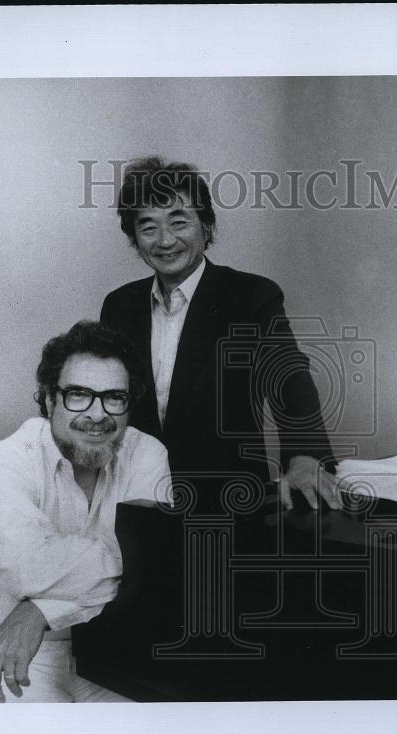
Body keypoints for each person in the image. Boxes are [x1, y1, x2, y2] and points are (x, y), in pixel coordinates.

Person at [101, 156, 341, 511]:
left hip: (230, 504)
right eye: (148, 227)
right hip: (138, 502)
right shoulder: (119, 305)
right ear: (135, 239)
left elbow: (289, 378)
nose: (165, 240)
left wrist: (306, 457)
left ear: (207, 227)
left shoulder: (251, 295)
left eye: (179, 222)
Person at [0, 321, 171, 703]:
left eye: (114, 397)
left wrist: (38, 610)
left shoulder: (147, 453)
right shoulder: (6, 460)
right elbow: (27, 570)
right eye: (78, 395)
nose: (97, 414)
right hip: (21, 646)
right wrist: (125, 556)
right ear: (50, 400)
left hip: (118, 645)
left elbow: (153, 571)